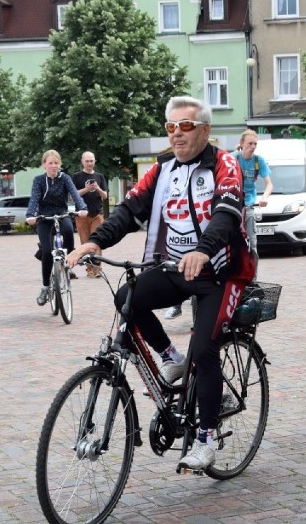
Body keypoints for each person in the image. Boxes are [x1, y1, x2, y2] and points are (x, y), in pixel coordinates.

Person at [67, 96, 255, 472]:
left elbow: (226, 212)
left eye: (184, 126)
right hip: (174, 266)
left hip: (221, 270)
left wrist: (203, 250)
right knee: (127, 299)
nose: (176, 134)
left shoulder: (226, 164)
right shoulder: (162, 169)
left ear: (204, 129)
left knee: (205, 350)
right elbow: (128, 210)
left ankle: (205, 439)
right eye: (170, 127)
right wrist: (95, 242)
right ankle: (171, 359)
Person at [163, 129, 272, 319]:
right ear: (241, 144)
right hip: (224, 205)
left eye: (256, 144)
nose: (253, 147)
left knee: (250, 246)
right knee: (189, 249)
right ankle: (178, 303)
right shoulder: (231, 159)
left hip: (247, 205)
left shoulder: (258, 161)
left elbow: (269, 183)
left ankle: (248, 285)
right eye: (250, 143)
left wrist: (265, 196)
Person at [25, 150, 88, 306]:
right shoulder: (38, 180)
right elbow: (34, 199)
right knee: (47, 251)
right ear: (44, 164)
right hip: (44, 218)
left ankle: (67, 264)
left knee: (68, 230)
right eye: (50, 163)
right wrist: (30, 215)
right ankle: (46, 286)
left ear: (60, 165)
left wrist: (82, 208)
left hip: (61, 214)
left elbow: (75, 194)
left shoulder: (65, 178)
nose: (53, 166)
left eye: (56, 163)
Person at [72, 151, 109, 278]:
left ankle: (97, 269)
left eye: (91, 161)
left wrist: (97, 188)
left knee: (97, 242)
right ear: (82, 162)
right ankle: (89, 269)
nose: (89, 163)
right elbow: (74, 195)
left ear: (95, 161)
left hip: (97, 214)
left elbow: (105, 196)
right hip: (82, 215)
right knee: (85, 243)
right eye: (87, 161)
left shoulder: (100, 176)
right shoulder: (76, 177)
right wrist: (86, 189)